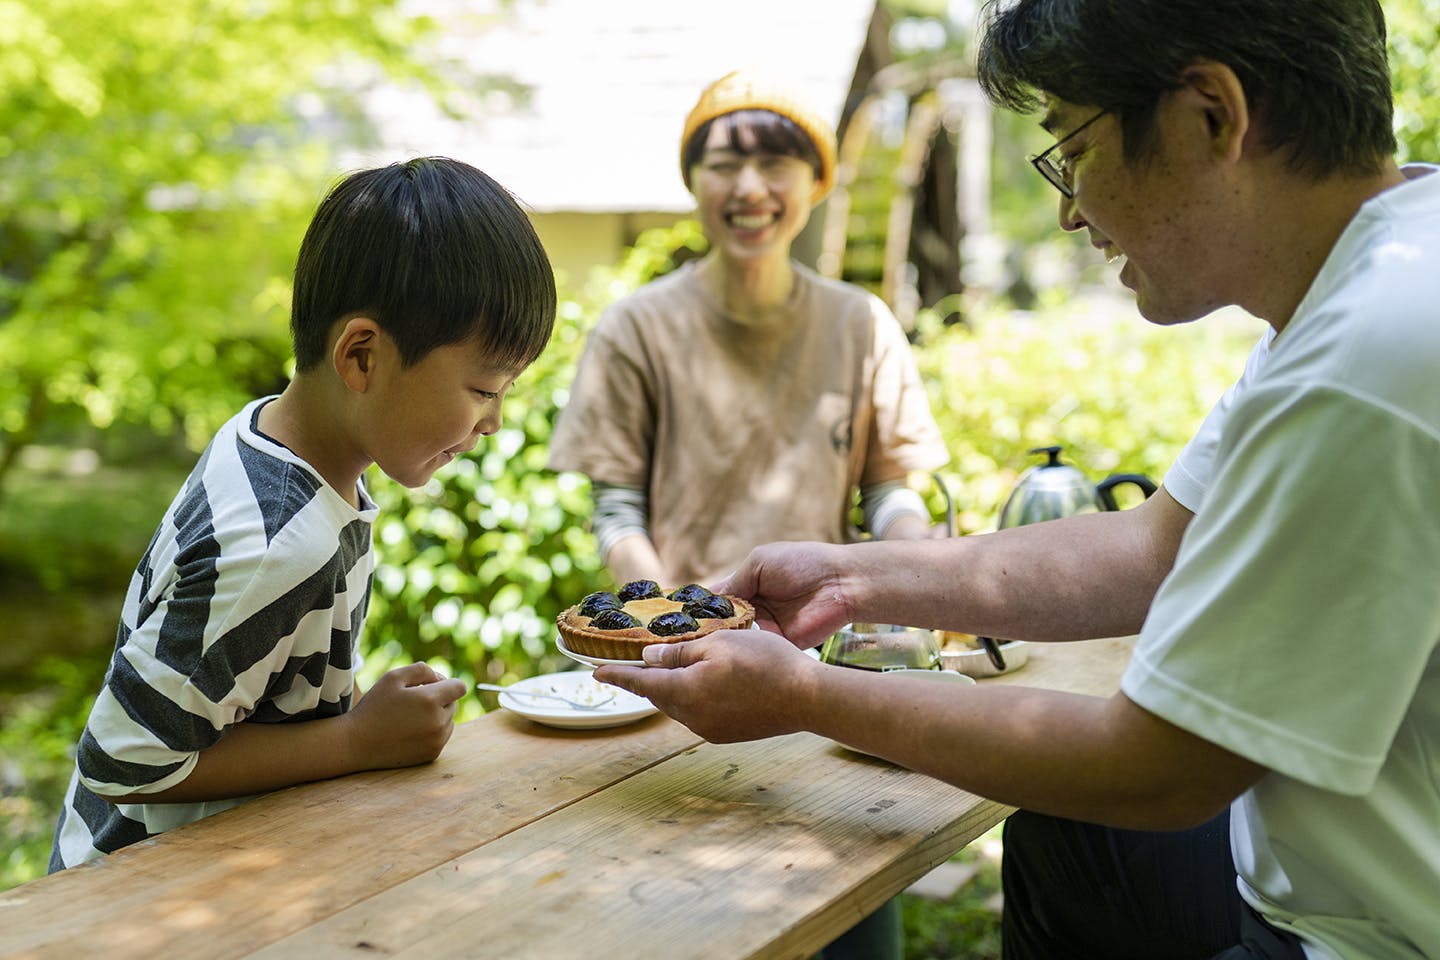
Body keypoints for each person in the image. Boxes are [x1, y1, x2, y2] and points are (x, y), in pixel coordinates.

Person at [595, 1, 1440, 957]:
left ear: (1211, 114)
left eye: (1072, 149)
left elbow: (1159, 770)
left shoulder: (1363, 367)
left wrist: (802, 696)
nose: (1071, 208)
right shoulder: (1383, 265)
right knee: (1075, 837)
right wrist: (851, 577)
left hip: (1368, 939)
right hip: (1329, 884)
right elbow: (1152, 544)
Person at [49, 157, 557, 870]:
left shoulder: (290, 449)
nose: (495, 422)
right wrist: (355, 741)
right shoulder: (273, 540)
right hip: (137, 891)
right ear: (361, 358)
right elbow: (121, 760)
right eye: (482, 389)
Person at [547, 68, 951, 591]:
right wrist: (672, 619)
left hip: (825, 641)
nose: (749, 188)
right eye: (723, 165)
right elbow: (617, 513)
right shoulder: (635, 329)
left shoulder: (862, 325)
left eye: (775, 164)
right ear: (692, 181)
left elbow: (885, 492)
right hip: (687, 641)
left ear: (818, 181)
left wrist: (918, 549)